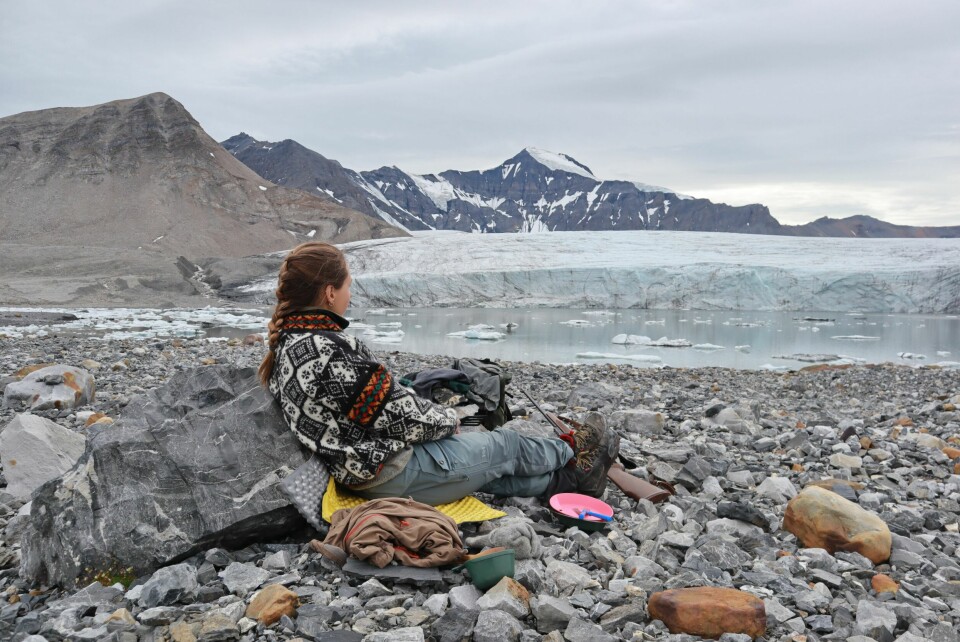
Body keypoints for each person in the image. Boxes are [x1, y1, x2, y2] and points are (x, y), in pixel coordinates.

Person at [259, 241, 619, 506]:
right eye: (348, 286)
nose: (349, 295)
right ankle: (572, 447)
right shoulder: (329, 350)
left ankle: (570, 481)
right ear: (329, 291)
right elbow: (394, 415)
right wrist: (448, 420)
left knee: (491, 471)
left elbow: (373, 409)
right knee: (504, 444)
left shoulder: (288, 346)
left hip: (359, 473)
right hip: (389, 470)